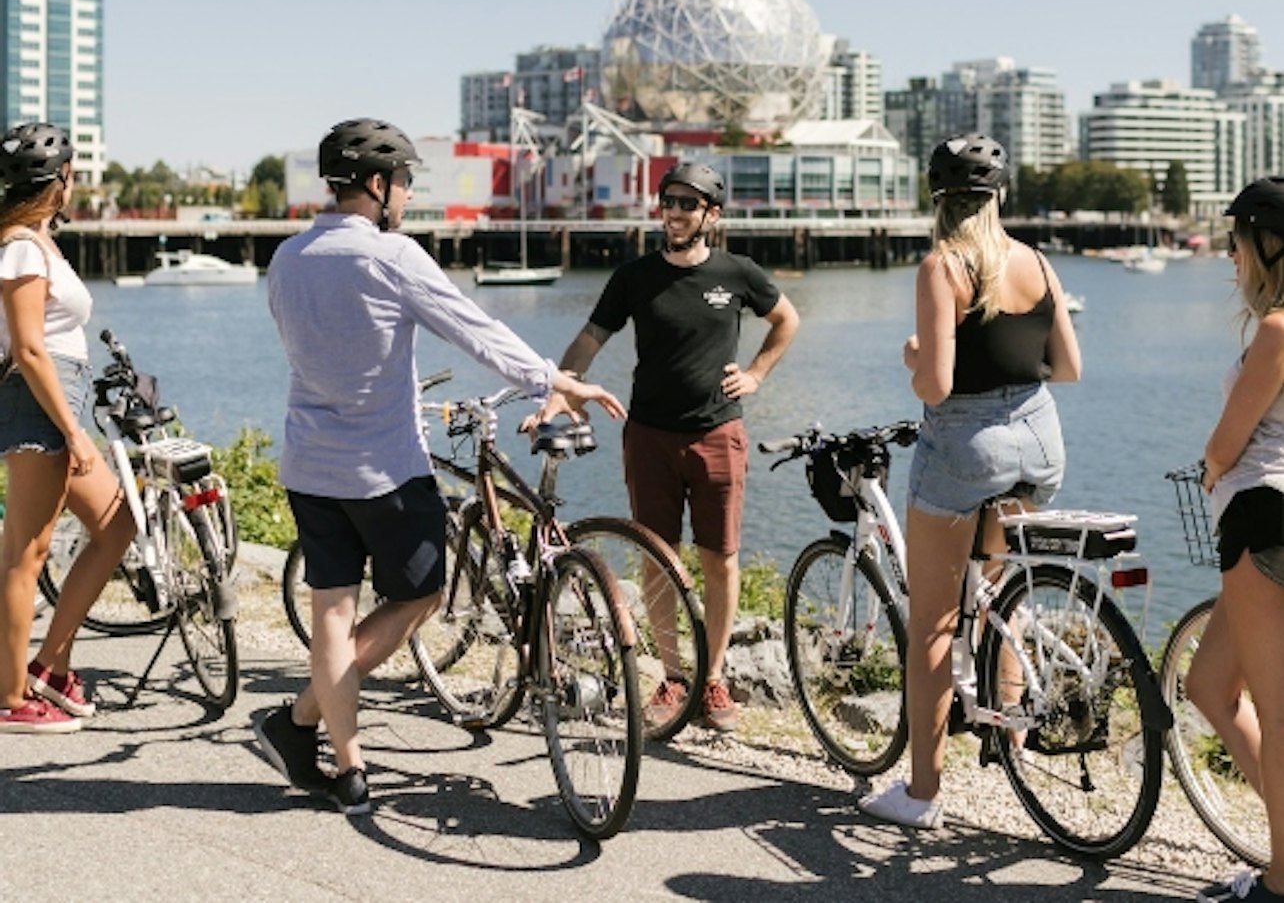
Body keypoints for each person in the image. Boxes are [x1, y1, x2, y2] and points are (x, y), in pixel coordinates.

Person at [257, 117, 622, 814]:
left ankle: (348, 769)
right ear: (376, 184)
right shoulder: (392, 256)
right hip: (386, 471)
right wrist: (552, 380)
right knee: (421, 597)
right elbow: (473, 330)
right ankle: (301, 717)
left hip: (310, 464)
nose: (407, 194)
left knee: (333, 614)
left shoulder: (287, 258)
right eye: (403, 181)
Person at [859, 133, 1081, 828]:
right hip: (1039, 441)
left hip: (966, 446)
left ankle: (922, 794)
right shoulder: (1037, 261)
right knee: (997, 593)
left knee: (933, 621)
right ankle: (1011, 732)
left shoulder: (942, 266)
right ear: (999, 196)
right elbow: (1068, 368)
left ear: (938, 200)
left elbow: (936, 385)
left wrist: (915, 356)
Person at [531, 161, 799, 734]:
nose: (674, 213)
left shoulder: (737, 273)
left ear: (711, 215)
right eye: (668, 202)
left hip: (717, 434)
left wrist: (756, 374)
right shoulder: (634, 276)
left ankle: (713, 676)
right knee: (657, 555)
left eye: (687, 204)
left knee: (720, 558)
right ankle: (674, 676)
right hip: (649, 436)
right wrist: (560, 392)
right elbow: (590, 339)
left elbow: (786, 320)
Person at [0, 123, 134, 733]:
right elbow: (30, 348)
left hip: (58, 402)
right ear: (60, 180)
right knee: (25, 553)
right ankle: (10, 698)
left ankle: (51, 665)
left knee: (117, 523)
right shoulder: (22, 249)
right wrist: (74, 433)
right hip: (40, 404)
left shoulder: (38, 242)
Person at [1188, 178, 1284, 902]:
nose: (1229, 255)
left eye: (1236, 241)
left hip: (1262, 520)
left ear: (1267, 246)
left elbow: (1227, 443)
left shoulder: (1278, 329)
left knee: (1276, 714)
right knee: (1209, 684)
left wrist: (1208, 469)